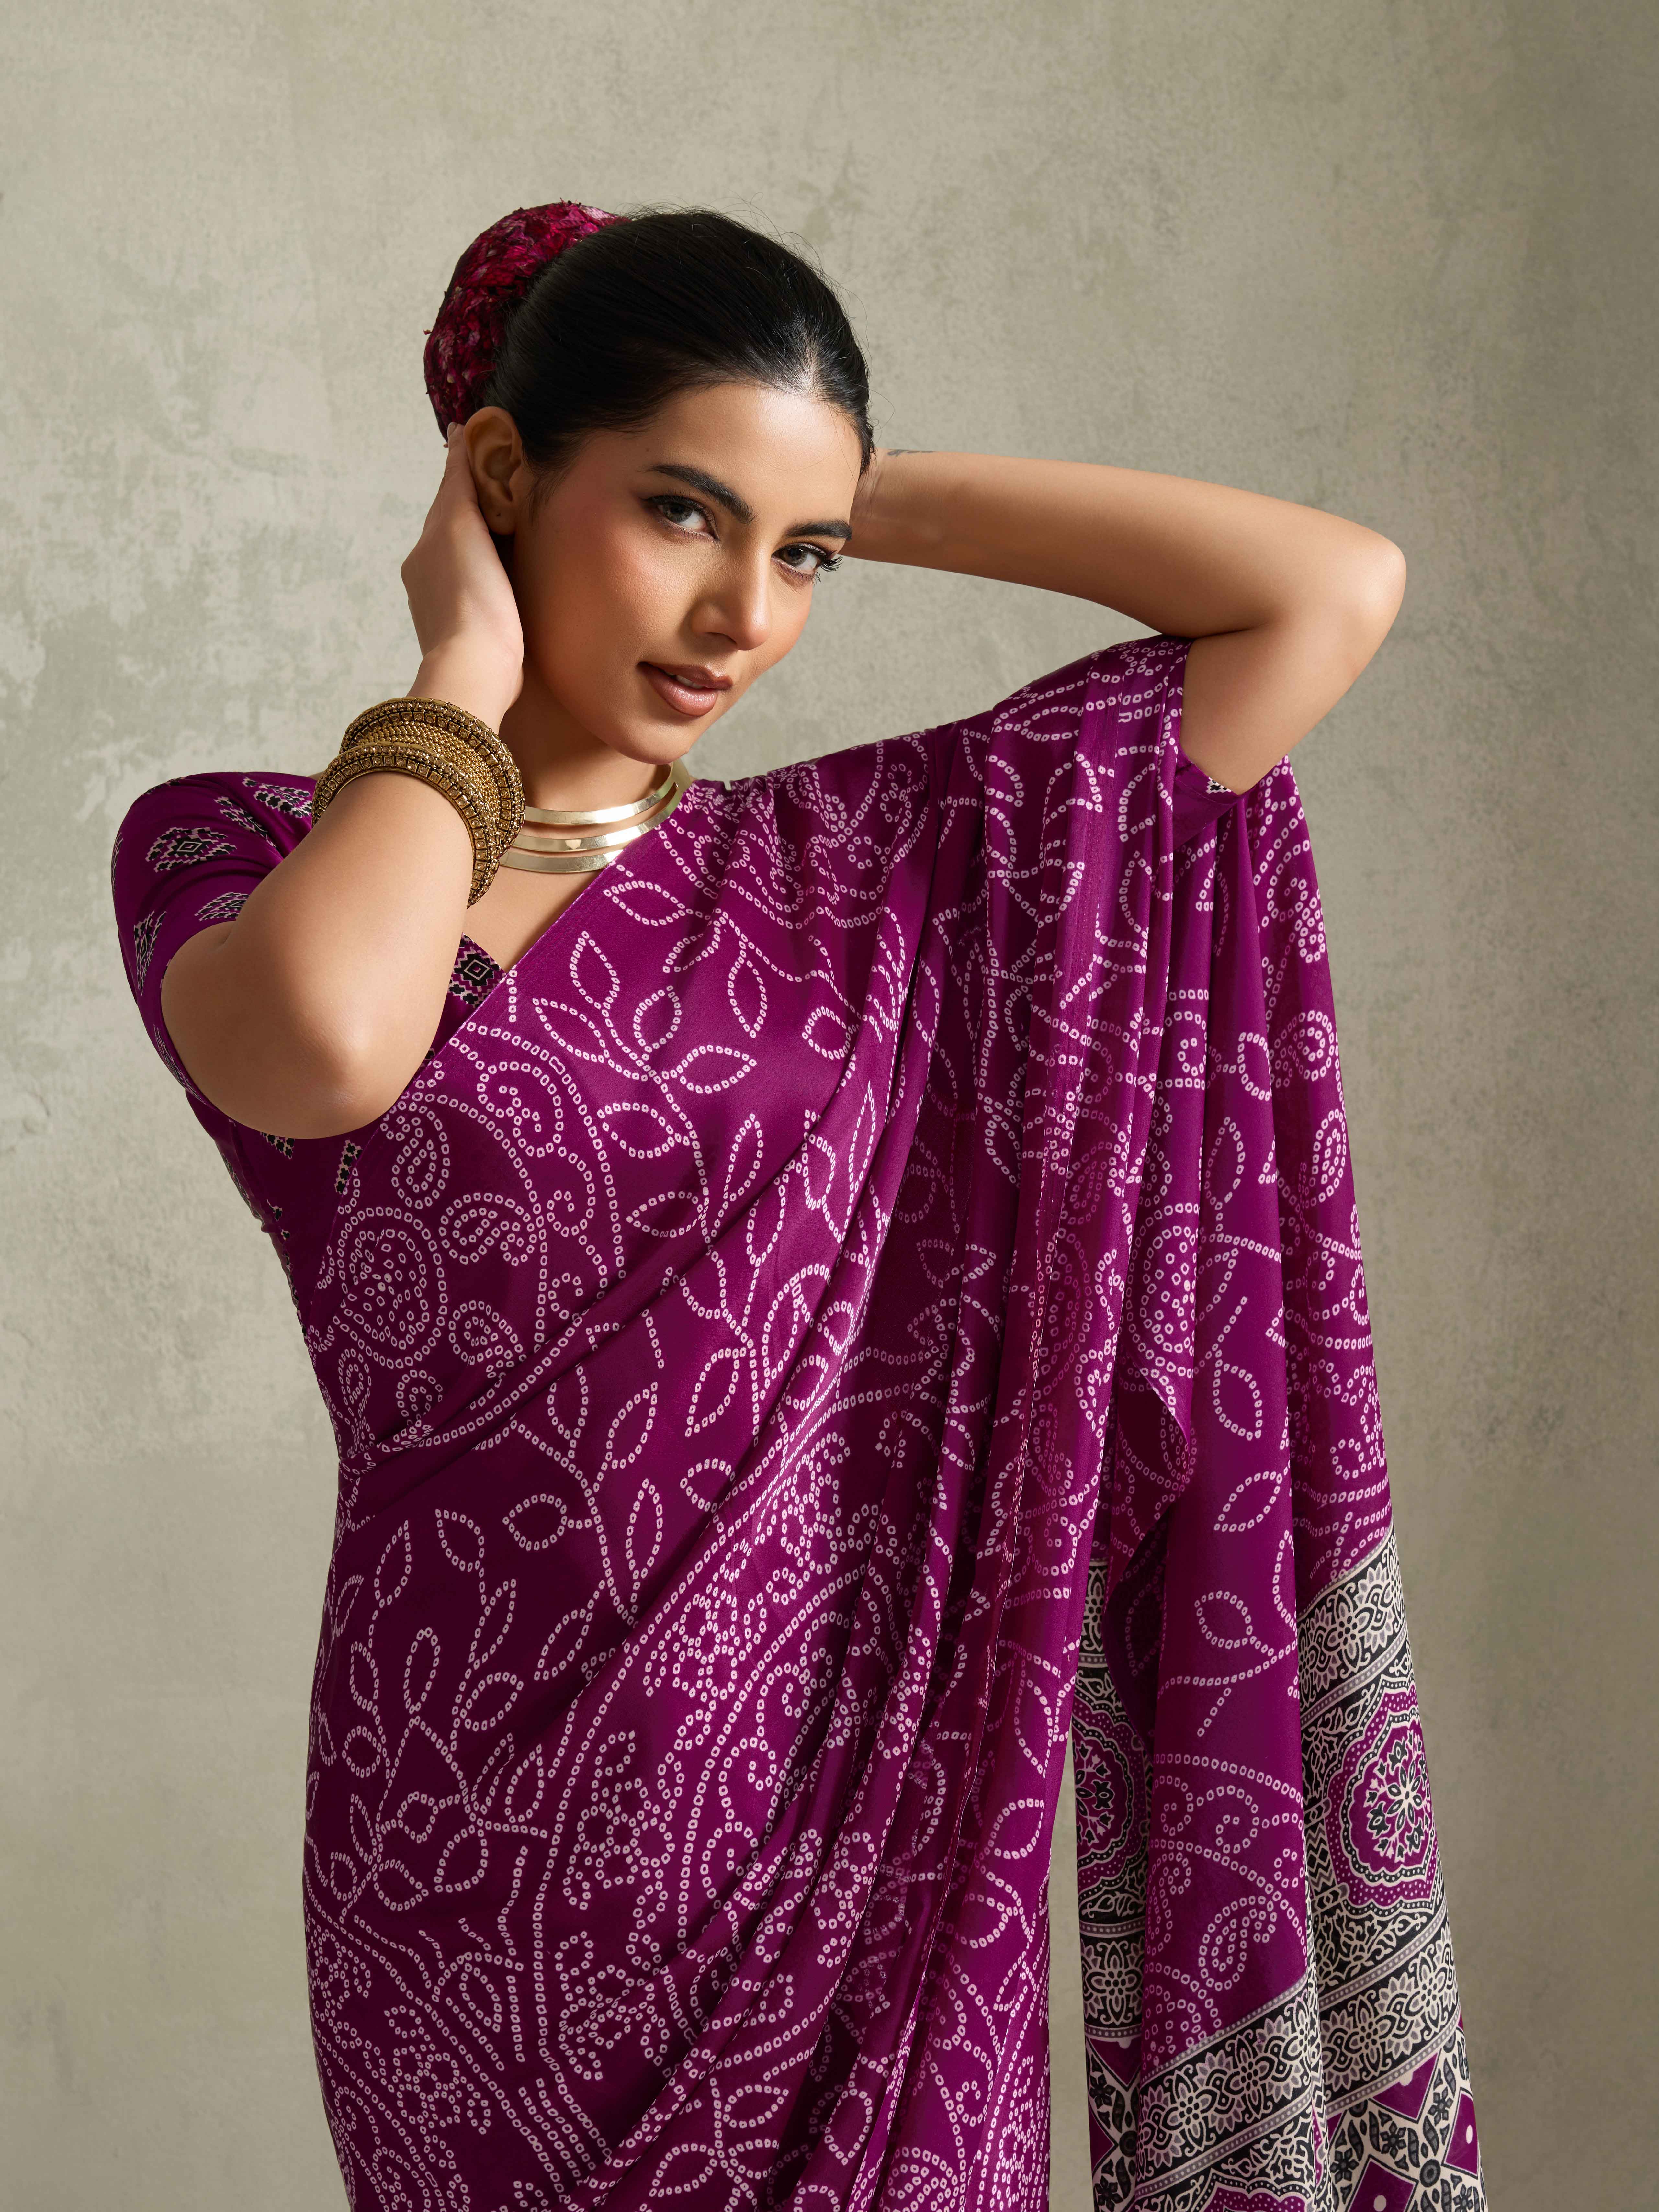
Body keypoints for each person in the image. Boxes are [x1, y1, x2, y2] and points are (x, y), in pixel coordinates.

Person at [110, 202, 1485, 2212]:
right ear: (500, 478)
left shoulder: (880, 866)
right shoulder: (234, 857)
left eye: (803, 559)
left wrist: (818, 479)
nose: (743, 615)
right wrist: (461, 659)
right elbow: (324, 1047)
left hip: (880, 1845)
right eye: (679, 516)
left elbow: (1322, 593)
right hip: (472, 1882)